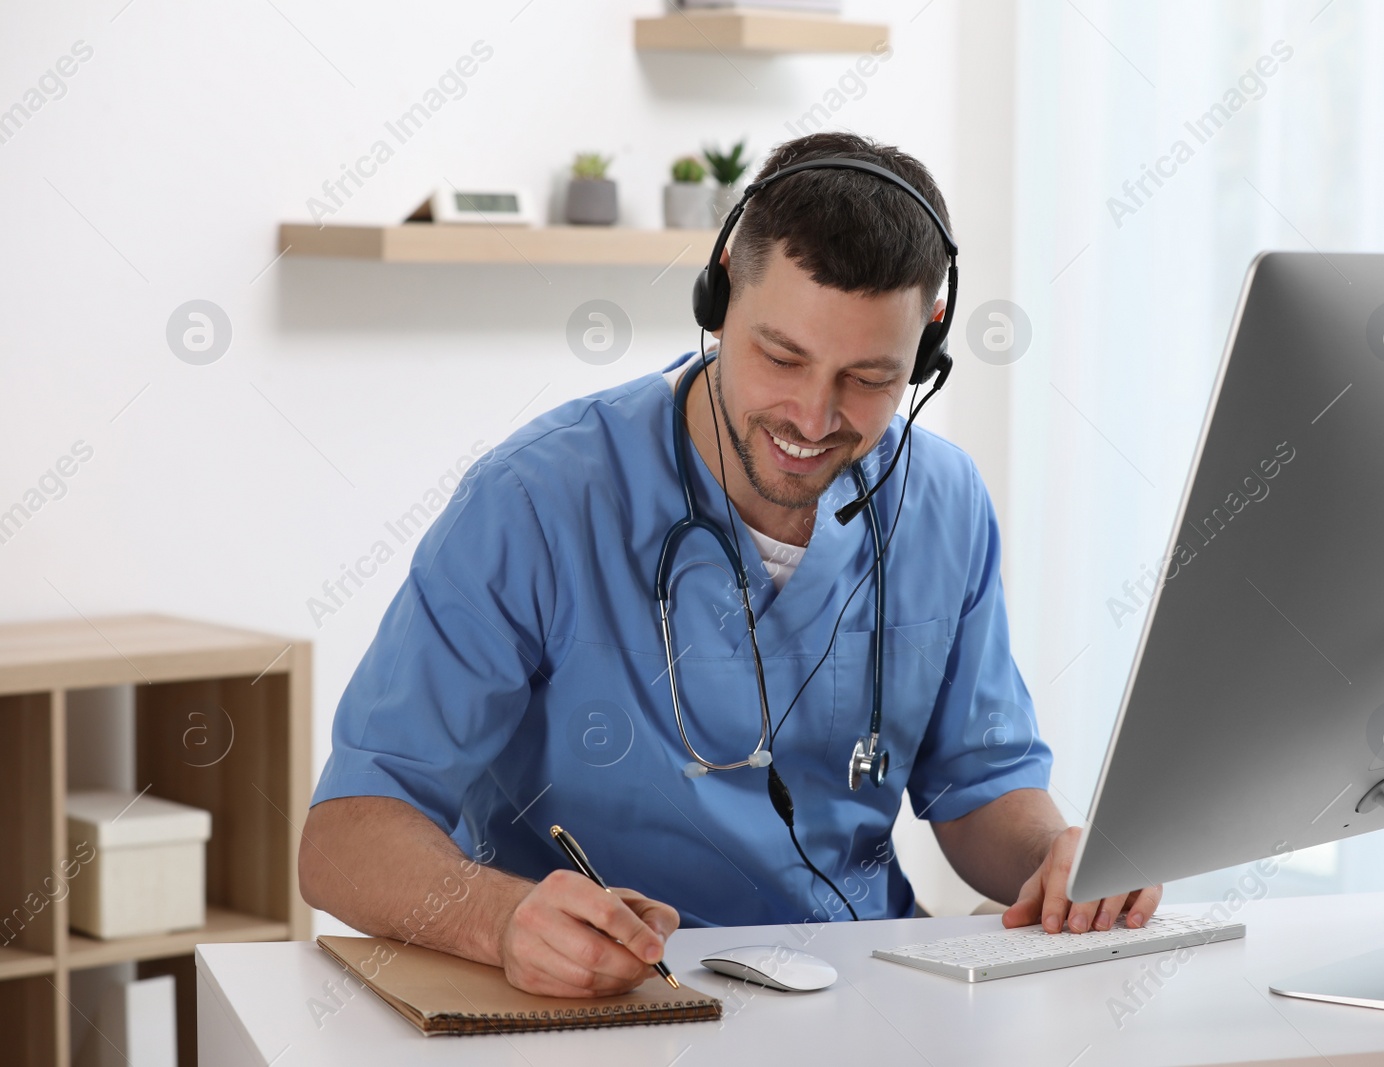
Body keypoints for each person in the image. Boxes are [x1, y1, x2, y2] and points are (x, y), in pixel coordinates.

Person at [299, 132, 1162, 998]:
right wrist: (499, 920)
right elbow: (345, 839)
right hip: (615, 1003)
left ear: (927, 351)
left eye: (868, 377)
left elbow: (981, 788)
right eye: (781, 357)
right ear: (718, 293)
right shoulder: (535, 500)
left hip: (866, 996)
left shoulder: (943, 501)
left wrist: (1056, 859)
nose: (814, 417)